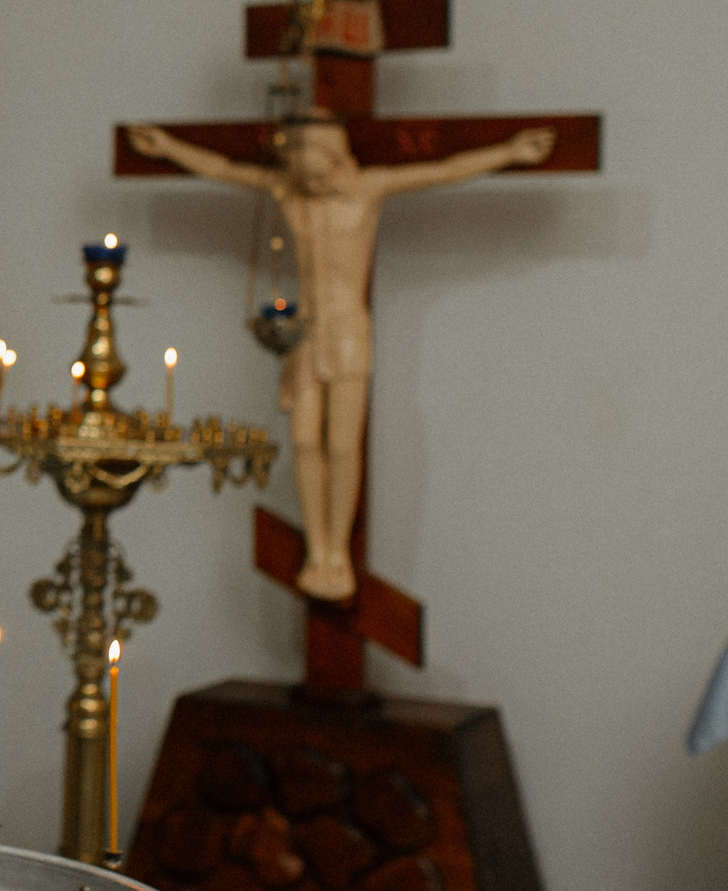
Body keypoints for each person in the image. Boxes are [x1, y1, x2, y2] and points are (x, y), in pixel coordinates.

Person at [126, 115, 552, 602]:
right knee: (305, 442)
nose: (314, 185)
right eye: (306, 177)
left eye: (321, 175)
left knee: (343, 446)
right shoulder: (290, 192)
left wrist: (509, 153)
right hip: (305, 333)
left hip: (350, 332)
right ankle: (318, 550)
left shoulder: (369, 189)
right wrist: (168, 148)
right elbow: (225, 169)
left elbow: (444, 170)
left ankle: (339, 555)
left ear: (339, 161)